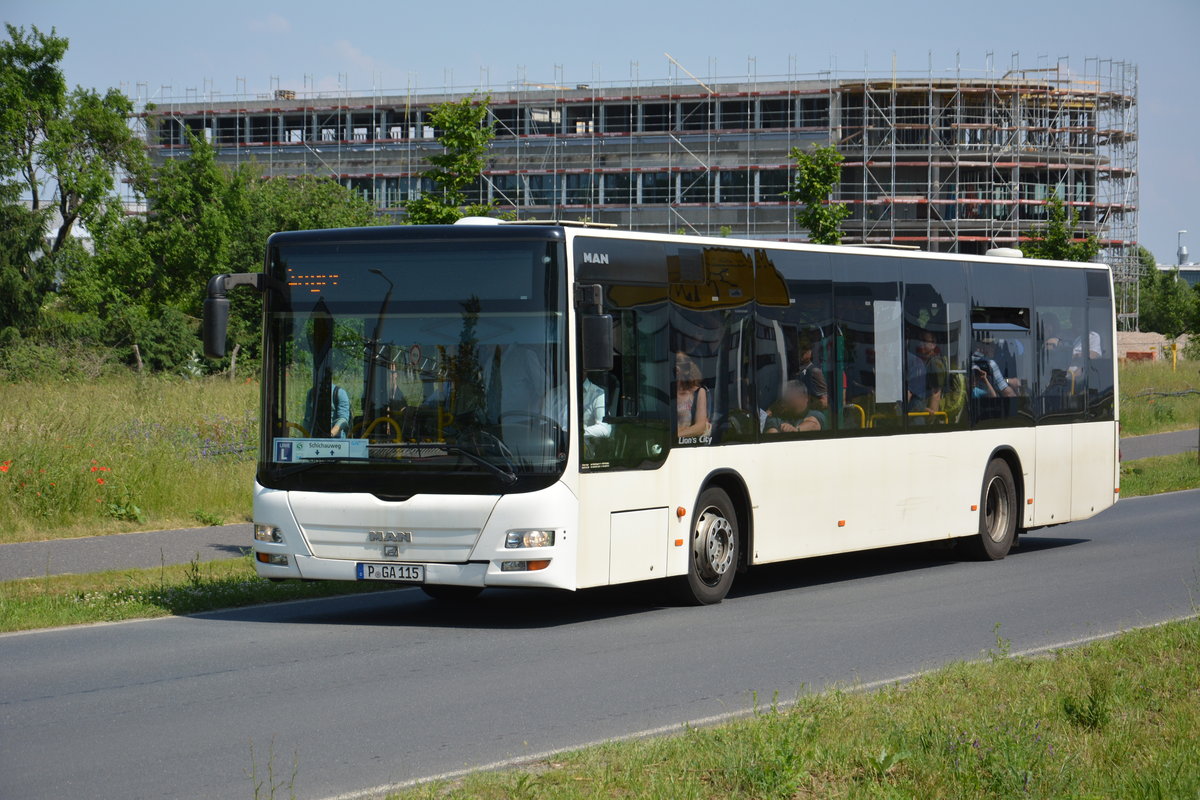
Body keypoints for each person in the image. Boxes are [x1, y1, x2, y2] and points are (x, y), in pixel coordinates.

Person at [675, 352, 710, 440]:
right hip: (670, 442)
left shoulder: (699, 392)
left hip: (690, 441)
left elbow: (700, 426)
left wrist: (677, 435)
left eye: (681, 366)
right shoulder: (670, 394)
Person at [795, 338, 829, 410]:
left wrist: (809, 406)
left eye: (803, 351)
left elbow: (825, 401)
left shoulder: (815, 371)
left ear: (810, 353)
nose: (800, 354)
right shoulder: (800, 371)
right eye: (799, 351)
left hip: (813, 412)